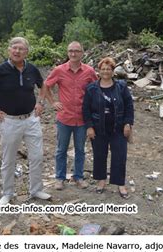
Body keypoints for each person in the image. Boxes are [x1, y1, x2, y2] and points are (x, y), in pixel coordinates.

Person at [0, 37, 51, 205]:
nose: (17, 51)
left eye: (21, 49)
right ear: (9, 50)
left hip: (31, 119)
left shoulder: (32, 69)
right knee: (9, 159)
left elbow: (43, 85)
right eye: (14, 48)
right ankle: (7, 193)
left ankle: (36, 190)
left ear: (26, 52)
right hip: (10, 122)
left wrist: (41, 102)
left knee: (37, 156)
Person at [43, 41, 97, 190]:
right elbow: (46, 85)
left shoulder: (89, 71)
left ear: (82, 53)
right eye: (71, 51)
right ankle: (60, 178)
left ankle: (78, 177)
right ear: (67, 53)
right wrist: (53, 102)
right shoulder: (59, 70)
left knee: (80, 149)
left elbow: (96, 89)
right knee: (61, 150)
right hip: (64, 118)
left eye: (77, 51)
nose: (73, 54)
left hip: (82, 118)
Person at [82, 57, 134, 198]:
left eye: (108, 69)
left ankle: (120, 184)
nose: (106, 71)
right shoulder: (91, 88)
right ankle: (101, 181)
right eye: (103, 69)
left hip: (118, 128)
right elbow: (86, 109)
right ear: (99, 71)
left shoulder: (121, 87)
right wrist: (89, 127)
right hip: (98, 129)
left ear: (113, 71)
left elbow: (129, 105)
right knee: (99, 155)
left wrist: (128, 123)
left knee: (119, 156)